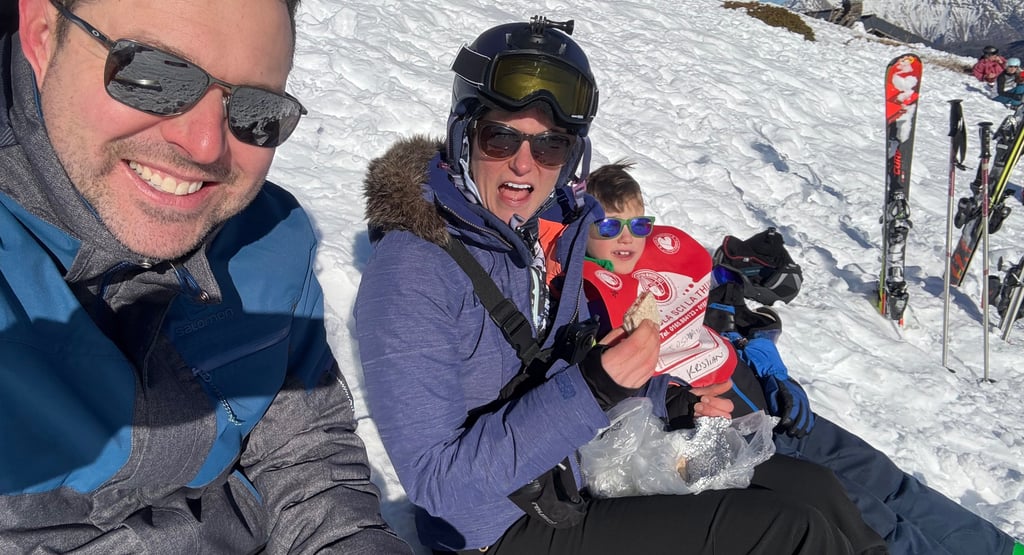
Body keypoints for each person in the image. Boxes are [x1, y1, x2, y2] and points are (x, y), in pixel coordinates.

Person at [356, 15, 863, 555]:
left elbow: (573, 365)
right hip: (497, 528)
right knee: (788, 531)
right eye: (500, 137)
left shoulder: (546, 235)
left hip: (584, 467)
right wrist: (595, 387)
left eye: (550, 146)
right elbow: (437, 481)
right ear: (464, 134)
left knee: (817, 490)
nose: (525, 164)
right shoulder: (411, 271)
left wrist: (672, 403)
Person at [0, 1, 410, 553]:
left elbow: (302, 446)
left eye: (257, 109)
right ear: (42, 34)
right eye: (153, 75)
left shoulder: (269, 237)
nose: (205, 146)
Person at [581, 160, 1024, 555]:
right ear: (584, 229)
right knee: (867, 515)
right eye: (609, 227)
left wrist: (766, 360)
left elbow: (724, 312)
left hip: (771, 399)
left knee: (886, 480)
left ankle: (1002, 549)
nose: (627, 238)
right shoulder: (587, 302)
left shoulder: (670, 262)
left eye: (639, 225)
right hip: (730, 433)